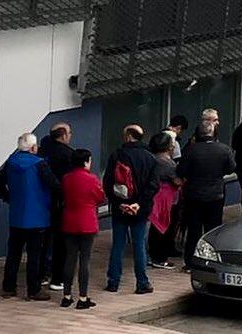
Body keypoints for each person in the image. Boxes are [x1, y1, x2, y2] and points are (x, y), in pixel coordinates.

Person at [0, 133, 55, 301]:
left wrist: (8, 197)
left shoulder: (11, 162)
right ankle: (33, 290)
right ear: (33, 148)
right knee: (34, 255)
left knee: (13, 253)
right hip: (37, 216)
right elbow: (54, 185)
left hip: (17, 215)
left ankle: (8, 287)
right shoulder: (40, 164)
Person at [102, 125, 157, 294]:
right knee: (139, 244)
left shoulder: (116, 155)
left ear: (127, 136)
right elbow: (154, 185)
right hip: (140, 209)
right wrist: (138, 203)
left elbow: (107, 183)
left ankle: (113, 281)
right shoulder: (150, 158)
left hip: (120, 208)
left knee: (118, 244)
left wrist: (119, 203)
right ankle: (142, 282)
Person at [178, 120, 235, 270]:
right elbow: (231, 169)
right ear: (214, 134)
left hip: (194, 195)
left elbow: (181, 171)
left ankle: (190, 262)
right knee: (213, 230)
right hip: (215, 194)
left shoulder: (190, 150)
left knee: (193, 230)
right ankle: (211, 261)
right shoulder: (224, 149)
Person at [60, 148, 105, 310]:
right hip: (87, 222)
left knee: (70, 259)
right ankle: (83, 297)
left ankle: (66, 295)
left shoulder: (66, 178)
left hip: (69, 222)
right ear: (86, 161)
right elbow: (101, 197)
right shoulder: (92, 179)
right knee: (84, 260)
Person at [37, 124, 75, 284]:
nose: (71, 135)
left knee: (44, 239)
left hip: (40, 201)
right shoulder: (68, 155)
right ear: (63, 136)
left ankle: (42, 272)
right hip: (59, 202)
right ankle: (55, 273)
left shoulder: (41, 151)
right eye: (69, 133)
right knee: (58, 240)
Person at [147, 132, 180, 269]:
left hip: (154, 197)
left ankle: (154, 254)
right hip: (165, 199)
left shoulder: (151, 158)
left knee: (155, 227)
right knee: (163, 227)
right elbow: (177, 181)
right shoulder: (167, 163)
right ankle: (159, 257)